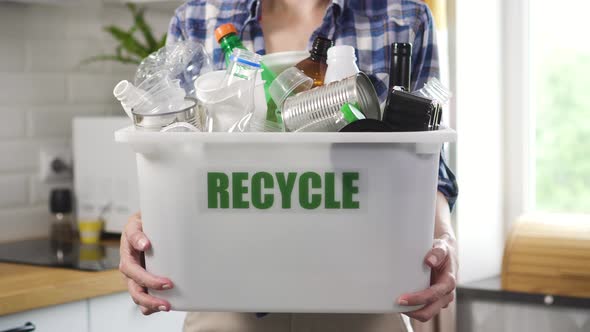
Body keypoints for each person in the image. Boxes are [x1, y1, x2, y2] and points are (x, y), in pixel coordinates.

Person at [119, 0, 459, 331]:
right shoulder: (198, 17)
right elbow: (173, 162)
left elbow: (427, 165)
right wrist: (144, 227)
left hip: (365, 298)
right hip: (226, 301)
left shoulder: (403, 17)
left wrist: (444, 237)